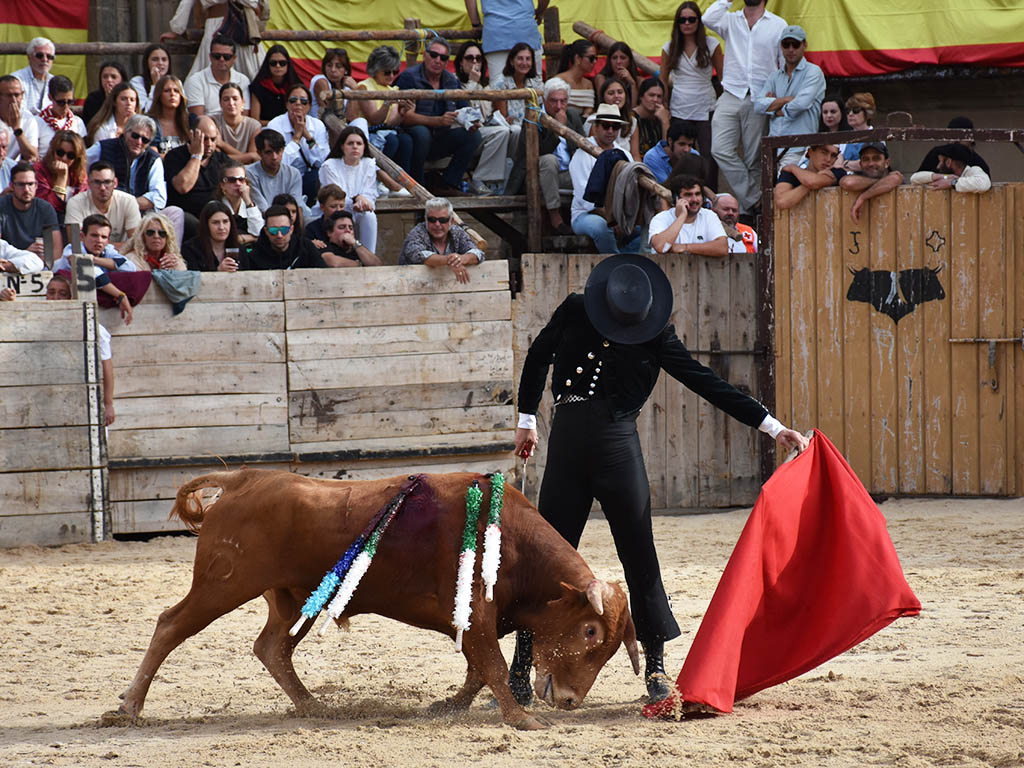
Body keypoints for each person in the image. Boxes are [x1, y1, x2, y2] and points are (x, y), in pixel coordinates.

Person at [511, 253, 809, 703]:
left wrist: (771, 426)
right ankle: (519, 671)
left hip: (617, 451)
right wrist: (527, 418)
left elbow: (707, 382)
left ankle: (655, 668)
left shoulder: (655, 334)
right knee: (546, 561)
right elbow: (538, 356)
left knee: (640, 556)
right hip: (568, 450)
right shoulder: (576, 307)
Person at [704, 0, 787, 217]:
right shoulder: (730, 19)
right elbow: (707, 18)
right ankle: (756, 199)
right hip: (731, 92)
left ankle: (750, 214)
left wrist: (776, 95)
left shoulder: (778, 24)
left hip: (760, 96)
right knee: (719, 149)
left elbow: (782, 62)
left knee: (754, 159)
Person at [0, 273, 118, 424]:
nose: (56, 298)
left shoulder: (93, 327)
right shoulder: (35, 319)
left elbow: (106, 366)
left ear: (70, 298)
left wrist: (108, 404)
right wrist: (9, 302)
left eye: (62, 294)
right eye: (51, 292)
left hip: (77, 398)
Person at [395, 37, 484, 196]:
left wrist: (471, 121)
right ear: (425, 55)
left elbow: (465, 108)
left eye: (443, 58)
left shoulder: (451, 80)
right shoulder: (409, 77)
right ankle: (419, 187)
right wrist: (437, 120)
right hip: (414, 139)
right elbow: (404, 118)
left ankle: (448, 183)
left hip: (441, 138)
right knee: (421, 133)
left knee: (474, 135)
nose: (438, 60)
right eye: (434, 55)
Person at [505, 77, 584, 233]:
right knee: (549, 160)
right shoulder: (533, 117)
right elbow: (536, 153)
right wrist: (556, 128)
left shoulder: (573, 115)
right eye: (554, 101)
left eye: (563, 101)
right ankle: (555, 215)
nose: (559, 106)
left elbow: (581, 147)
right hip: (538, 175)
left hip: (567, 173)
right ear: (544, 99)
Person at [661, 1, 723, 185]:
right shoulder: (669, 47)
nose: (687, 23)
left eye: (691, 19)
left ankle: (709, 195)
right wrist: (664, 105)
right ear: (677, 23)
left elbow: (722, 78)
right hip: (679, 107)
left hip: (706, 106)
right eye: (682, 20)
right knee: (681, 154)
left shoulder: (712, 45)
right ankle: (680, 191)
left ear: (699, 22)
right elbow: (663, 80)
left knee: (709, 155)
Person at [569, 104, 640, 253]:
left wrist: (623, 218)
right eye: (606, 126)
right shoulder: (582, 153)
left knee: (648, 227)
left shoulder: (624, 154)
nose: (610, 131)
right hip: (585, 214)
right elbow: (586, 198)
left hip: (619, 215)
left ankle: (629, 260)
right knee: (601, 227)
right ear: (596, 127)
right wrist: (612, 219)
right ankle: (616, 264)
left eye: (615, 127)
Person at [754, 25, 825, 171]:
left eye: (796, 44)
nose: (791, 49)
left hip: (799, 149)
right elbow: (758, 105)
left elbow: (801, 104)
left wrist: (773, 107)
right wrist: (786, 100)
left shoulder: (813, 72)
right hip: (773, 149)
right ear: (781, 47)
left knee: (784, 192)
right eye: (786, 44)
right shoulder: (774, 76)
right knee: (772, 192)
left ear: (804, 45)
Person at [53, 212, 136, 325]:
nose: (99, 240)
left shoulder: (108, 250)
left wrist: (94, 260)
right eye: (94, 235)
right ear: (82, 236)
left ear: (108, 240)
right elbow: (90, 271)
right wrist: (120, 295)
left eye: (104, 237)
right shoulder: (72, 249)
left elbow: (129, 267)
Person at [348, 45, 414, 181]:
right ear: (375, 70)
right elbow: (375, 119)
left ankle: (404, 182)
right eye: (387, 72)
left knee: (407, 140)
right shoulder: (364, 87)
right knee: (392, 140)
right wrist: (387, 103)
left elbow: (390, 122)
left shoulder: (393, 89)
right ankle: (383, 180)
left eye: (394, 72)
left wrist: (402, 112)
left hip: (385, 131)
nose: (391, 76)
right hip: (369, 134)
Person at [164, 0, 267, 81]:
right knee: (207, 74)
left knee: (255, 76)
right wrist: (177, 28)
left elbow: (256, 6)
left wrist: (177, 28)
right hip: (218, 26)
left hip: (241, 27)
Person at [453, 41, 507, 196]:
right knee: (501, 132)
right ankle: (480, 179)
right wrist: (472, 82)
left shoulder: (484, 85)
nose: (475, 62)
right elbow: (463, 107)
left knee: (512, 131)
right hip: (460, 132)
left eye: (478, 58)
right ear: (461, 62)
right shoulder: (453, 80)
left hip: (481, 130)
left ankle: (502, 181)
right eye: (470, 58)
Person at [85, 114, 166, 215]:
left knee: (175, 212)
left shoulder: (153, 159)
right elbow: (79, 163)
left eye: (145, 140)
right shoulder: (103, 147)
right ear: (126, 132)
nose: (139, 142)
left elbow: (159, 196)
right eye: (135, 136)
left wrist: (128, 205)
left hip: (138, 213)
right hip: (103, 209)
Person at [318, 124, 379, 253]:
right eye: (350, 143)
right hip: (336, 211)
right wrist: (357, 199)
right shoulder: (330, 166)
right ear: (342, 146)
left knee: (369, 216)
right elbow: (335, 197)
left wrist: (363, 201)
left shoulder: (369, 164)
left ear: (364, 147)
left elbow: (370, 191)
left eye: (359, 143)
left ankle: (369, 254)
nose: (355, 147)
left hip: (359, 209)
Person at [266, 83, 328, 207]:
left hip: (308, 178)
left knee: (318, 176)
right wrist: (296, 139)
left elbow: (323, 161)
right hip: (284, 177)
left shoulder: (317, 125)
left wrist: (308, 136)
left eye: (303, 101)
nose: (298, 104)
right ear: (287, 104)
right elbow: (277, 162)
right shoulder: (275, 125)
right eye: (293, 100)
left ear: (309, 106)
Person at [165, 116, 229, 233]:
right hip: (187, 221)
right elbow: (183, 187)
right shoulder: (175, 156)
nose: (209, 144)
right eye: (204, 139)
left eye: (213, 139)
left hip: (216, 219)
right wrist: (196, 156)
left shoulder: (221, 160)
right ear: (192, 135)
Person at [398, 197, 484, 283]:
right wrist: (450, 261)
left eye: (443, 220)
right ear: (426, 219)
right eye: (432, 220)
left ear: (452, 221)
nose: (437, 224)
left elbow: (478, 254)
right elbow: (418, 255)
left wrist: (462, 259)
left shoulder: (457, 232)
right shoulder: (417, 233)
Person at [65, 161, 141, 252]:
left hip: (121, 257)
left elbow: (136, 244)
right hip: (85, 256)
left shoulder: (129, 201)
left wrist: (96, 245)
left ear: (115, 183)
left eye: (107, 182)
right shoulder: (75, 202)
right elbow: (76, 243)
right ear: (88, 183)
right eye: (97, 182)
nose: (102, 188)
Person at [649, 174, 728, 256]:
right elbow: (661, 247)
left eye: (697, 194)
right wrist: (682, 216)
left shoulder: (709, 216)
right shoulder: (661, 218)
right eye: (688, 195)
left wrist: (685, 247)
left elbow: (723, 247)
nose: (695, 199)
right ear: (676, 198)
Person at [464, 0, 546, 79]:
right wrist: (540, 11)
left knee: (498, 86)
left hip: (496, 33)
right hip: (525, 29)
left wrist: (476, 24)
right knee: (533, 86)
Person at [245, 128, 310, 218]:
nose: (274, 157)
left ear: (283, 150)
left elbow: (295, 207)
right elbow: (262, 209)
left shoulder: (294, 174)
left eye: (278, 151)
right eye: (269, 152)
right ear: (259, 153)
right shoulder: (249, 173)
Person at [242, 204, 327, 270]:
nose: (279, 235)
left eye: (284, 230)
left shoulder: (305, 247)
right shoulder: (254, 254)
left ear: (291, 229)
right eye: (273, 231)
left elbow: (322, 273)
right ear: (266, 231)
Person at [184, 35, 252, 117]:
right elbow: (198, 119)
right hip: (206, 128)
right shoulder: (196, 81)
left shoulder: (243, 80)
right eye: (217, 56)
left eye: (227, 57)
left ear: (234, 58)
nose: (221, 59)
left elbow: (244, 116)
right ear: (210, 57)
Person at [0, 162, 60, 253]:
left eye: (30, 184)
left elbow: (57, 249)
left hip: (40, 263)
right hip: (9, 262)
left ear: (36, 185)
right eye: (21, 184)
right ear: (12, 186)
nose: (26, 190)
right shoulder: (2, 206)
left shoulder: (45, 208)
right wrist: (25, 253)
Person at [838, 142, 904, 223]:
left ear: (887, 163)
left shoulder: (894, 175)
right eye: (866, 159)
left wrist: (862, 197)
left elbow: (895, 178)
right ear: (860, 164)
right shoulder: (858, 178)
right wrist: (882, 182)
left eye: (876, 158)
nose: (871, 163)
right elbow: (847, 182)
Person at [33, 130, 88, 221]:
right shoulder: (39, 170)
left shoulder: (79, 173)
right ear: (52, 151)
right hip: (47, 223)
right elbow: (49, 208)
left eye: (70, 155)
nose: (64, 158)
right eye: (60, 152)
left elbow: (82, 204)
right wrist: (62, 178)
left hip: (73, 221)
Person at [774, 143, 844, 209]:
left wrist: (792, 167)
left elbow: (812, 182)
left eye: (833, 155)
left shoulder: (837, 172)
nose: (828, 159)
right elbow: (782, 201)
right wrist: (812, 183)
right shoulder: (792, 174)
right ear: (810, 152)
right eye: (824, 152)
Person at [181, 199, 242, 271]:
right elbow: (193, 279)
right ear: (206, 225)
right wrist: (218, 271)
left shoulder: (239, 248)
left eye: (225, 221)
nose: (221, 227)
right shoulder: (190, 249)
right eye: (215, 222)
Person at [917, 116, 990, 176]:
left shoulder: (978, 163)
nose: (956, 140)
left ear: (971, 140)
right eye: (952, 136)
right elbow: (917, 179)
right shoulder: (936, 154)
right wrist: (935, 177)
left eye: (961, 137)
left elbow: (985, 184)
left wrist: (953, 183)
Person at [248, 44, 301, 125]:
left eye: (282, 63)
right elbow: (255, 121)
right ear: (267, 65)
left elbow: (301, 114)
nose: (278, 66)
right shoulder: (258, 87)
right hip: (266, 130)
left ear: (288, 65)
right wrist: (278, 124)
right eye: (273, 63)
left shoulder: (296, 86)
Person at [909, 143, 991, 193]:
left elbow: (984, 183)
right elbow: (914, 178)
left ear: (948, 162)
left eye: (941, 162)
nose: (938, 166)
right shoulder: (945, 176)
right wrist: (942, 177)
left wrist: (952, 183)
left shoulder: (972, 171)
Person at [35, 76, 86, 156]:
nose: (66, 107)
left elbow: (82, 153)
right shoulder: (37, 122)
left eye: (69, 102)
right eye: (61, 102)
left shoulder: (77, 122)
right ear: (50, 97)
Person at [212, 82, 261, 164]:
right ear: (220, 103)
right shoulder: (213, 123)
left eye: (235, 99)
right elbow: (215, 159)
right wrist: (248, 156)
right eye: (226, 99)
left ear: (243, 102)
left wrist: (222, 144)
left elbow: (255, 160)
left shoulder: (254, 126)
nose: (231, 103)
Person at [218, 158, 263, 243]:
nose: (238, 184)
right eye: (232, 180)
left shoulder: (250, 205)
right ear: (222, 185)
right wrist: (250, 238)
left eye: (241, 179)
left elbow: (259, 232)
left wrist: (248, 201)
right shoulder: (216, 206)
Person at [145, 76, 190, 156]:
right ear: (159, 95)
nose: (172, 94)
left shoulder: (190, 120)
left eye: (176, 91)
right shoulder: (150, 122)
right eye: (167, 91)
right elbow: (153, 155)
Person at [0, 75, 40, 162]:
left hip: (14, 169)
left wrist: (17, 129)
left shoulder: (28, 119)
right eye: (9, 95)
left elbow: (33, 156)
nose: (14, 100)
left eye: (17, 95)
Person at [597, 76, 639, 160]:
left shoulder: (632, 121)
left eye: (620, 92)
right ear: (603, 96)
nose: (616, 96)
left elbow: (635, 155)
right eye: (611, 93)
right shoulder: (596, 120)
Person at [12, 37, 55, 116]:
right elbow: (18, 110)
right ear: (29, 57)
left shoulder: (55, 81)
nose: (45, 59)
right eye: (40, 55)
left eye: (49, 56)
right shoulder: (16, 80)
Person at [310, 48, 357, 121]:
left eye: (338, 66)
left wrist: (355, 89)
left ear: (346, 70)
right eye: (329, 65)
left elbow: (351, 117)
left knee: (361, 121)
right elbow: (330, 113)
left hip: (343, 127)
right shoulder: (320, 81)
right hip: (321, 127)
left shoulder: (348, 86)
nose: (333, 70)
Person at [552, 39, 597, 115]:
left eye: (596, 58)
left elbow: (588, 110)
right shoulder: (558, 81)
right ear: (578, 58)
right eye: (591, 58)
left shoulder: (588, 84)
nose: (595, 62)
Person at [594, 41, 641, 109]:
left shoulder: (638, 80)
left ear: (629, 61)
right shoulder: (601, 78)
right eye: (614, 58)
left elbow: (634, 109)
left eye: (623, 58)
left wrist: (632, 83)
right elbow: (603, 104)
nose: (618, 62)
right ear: (609, 61)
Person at [81, 61, 129, 126]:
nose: (109, 80)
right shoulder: (92, 99)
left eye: (113, 77)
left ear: (122, 80)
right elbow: (90, 125)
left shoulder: (129, 97)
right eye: (105, 77)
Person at [633, 78, 670, 159]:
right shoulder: (632, 118)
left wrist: (665, 122)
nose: (655, 100)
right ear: (641, 97)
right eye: (651, 95)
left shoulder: (663, 117)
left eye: (659, 96)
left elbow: (668, 151)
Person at [130, 43, 172, 112]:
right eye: (155, 59)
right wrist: (155, 85)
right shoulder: (137, 81)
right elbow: (145, 112)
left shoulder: (176, 83)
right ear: (147, 62)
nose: (160, 63)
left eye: (164, 59)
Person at [841, 92, 877, 171]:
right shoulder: (845, 137)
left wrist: (845, 163)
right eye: (848, 111)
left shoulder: (875, 136)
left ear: (867, 113)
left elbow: (869, 165)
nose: (850, 114)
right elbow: (837, 164)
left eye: (856, 110)